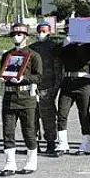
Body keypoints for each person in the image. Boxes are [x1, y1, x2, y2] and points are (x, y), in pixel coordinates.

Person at [0, 23, 42, 175]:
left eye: (19, 34)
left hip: (26, 98)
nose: (16, 37)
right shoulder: (7, 55)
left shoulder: (34, 55)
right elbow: (3, 71)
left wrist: (24, 78)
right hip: (9, 96)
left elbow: (39, 76)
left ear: (26, 37)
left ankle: (31, 162)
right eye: (14, 34)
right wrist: (2, 77)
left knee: (29, 131)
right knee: (8, 131)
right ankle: (10, 163)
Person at [56, 38, 90, 155]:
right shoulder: (67, 44)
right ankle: (62, 143)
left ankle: (86, 143)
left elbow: (86, 60)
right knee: (62, 113)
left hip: (83, 82)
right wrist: (65, 44)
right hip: (68, 81)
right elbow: (56, 54)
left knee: (84, 114)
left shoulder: (88, 45)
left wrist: (79, 45)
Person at [30, 20, 62, 155]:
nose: (41, 33)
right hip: (32, 87)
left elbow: (59, 69)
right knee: (32, 117)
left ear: (50, 32)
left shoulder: (54, 48)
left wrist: (55, 88)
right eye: (40, 31)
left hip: (48, 88)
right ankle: (34, 143)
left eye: (44, 30)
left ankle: (51, 143)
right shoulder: (31, 48)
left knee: (48, 117)